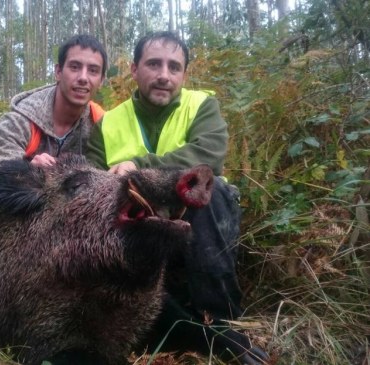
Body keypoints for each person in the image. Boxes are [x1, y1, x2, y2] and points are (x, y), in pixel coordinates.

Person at [86, 31, 268, 364]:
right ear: (134, 69)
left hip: (198, 226)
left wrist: (138, 168)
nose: (164, 75)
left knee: (211, 191)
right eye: (154, 64)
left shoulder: (202, 106)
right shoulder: (107, 124)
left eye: (174, 67)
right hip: (135, 235)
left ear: (184, 74)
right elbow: (91, 185)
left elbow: (206, 158)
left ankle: (221, 322)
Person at [0, 34, 107, 326]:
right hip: (19, 200)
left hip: (68, 213)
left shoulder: (103, 125)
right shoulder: (20, 119)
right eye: (75, 67)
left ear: (101, 79)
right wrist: (28, 166)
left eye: (92, 70)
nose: (82, 78)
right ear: (58, 71)